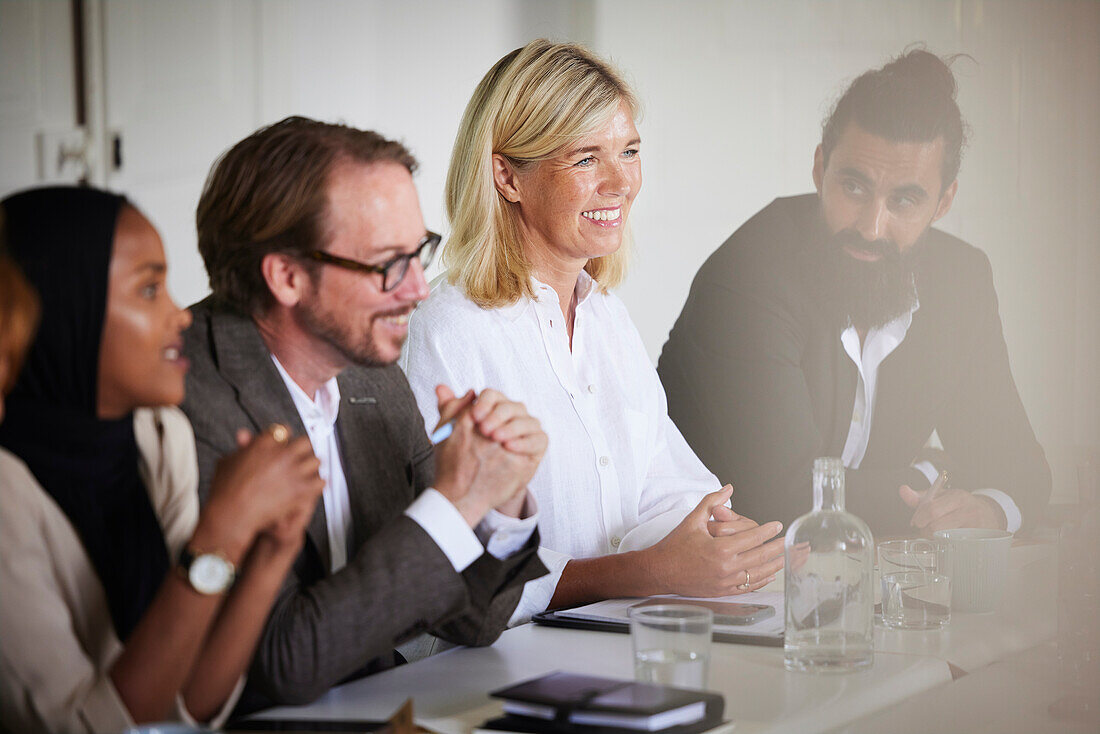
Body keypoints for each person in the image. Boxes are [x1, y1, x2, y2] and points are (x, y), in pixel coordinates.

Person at [402, 40, 785, 624]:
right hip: (497, 669)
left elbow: (662, 485)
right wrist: (653, 569)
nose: (621, 182)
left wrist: (719, 536)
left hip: (613, 637)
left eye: (629, 151)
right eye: (586, 159)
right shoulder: (447, 331)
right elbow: (457, 572)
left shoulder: (607, 317)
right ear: (507, 176)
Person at [181, 117, 549, 712]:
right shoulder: (188, 400)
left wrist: (496, 499)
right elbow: (281, 664)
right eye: (388, 265)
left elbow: (473, 620)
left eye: (419, 253)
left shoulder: (371, 374)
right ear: (287, 276)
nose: (419, 290)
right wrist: (453, 504)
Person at [658, 49, 1051, 536]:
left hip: (843, 583)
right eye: (854, 187)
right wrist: (929, 476)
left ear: (943, 201)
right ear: (821, 168)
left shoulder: (961, 280)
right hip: (707, 586)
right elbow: (785, 497)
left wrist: (990, 510)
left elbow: (1020, 469)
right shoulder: (749, 273)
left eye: (904, 199)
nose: (871, 227)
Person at [0, 187, 324, 733]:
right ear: (63, 312)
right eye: (149, 289)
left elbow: (189, 704)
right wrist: (218, 536)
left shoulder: (156, 435)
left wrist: (272, 551)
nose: (180, 315)